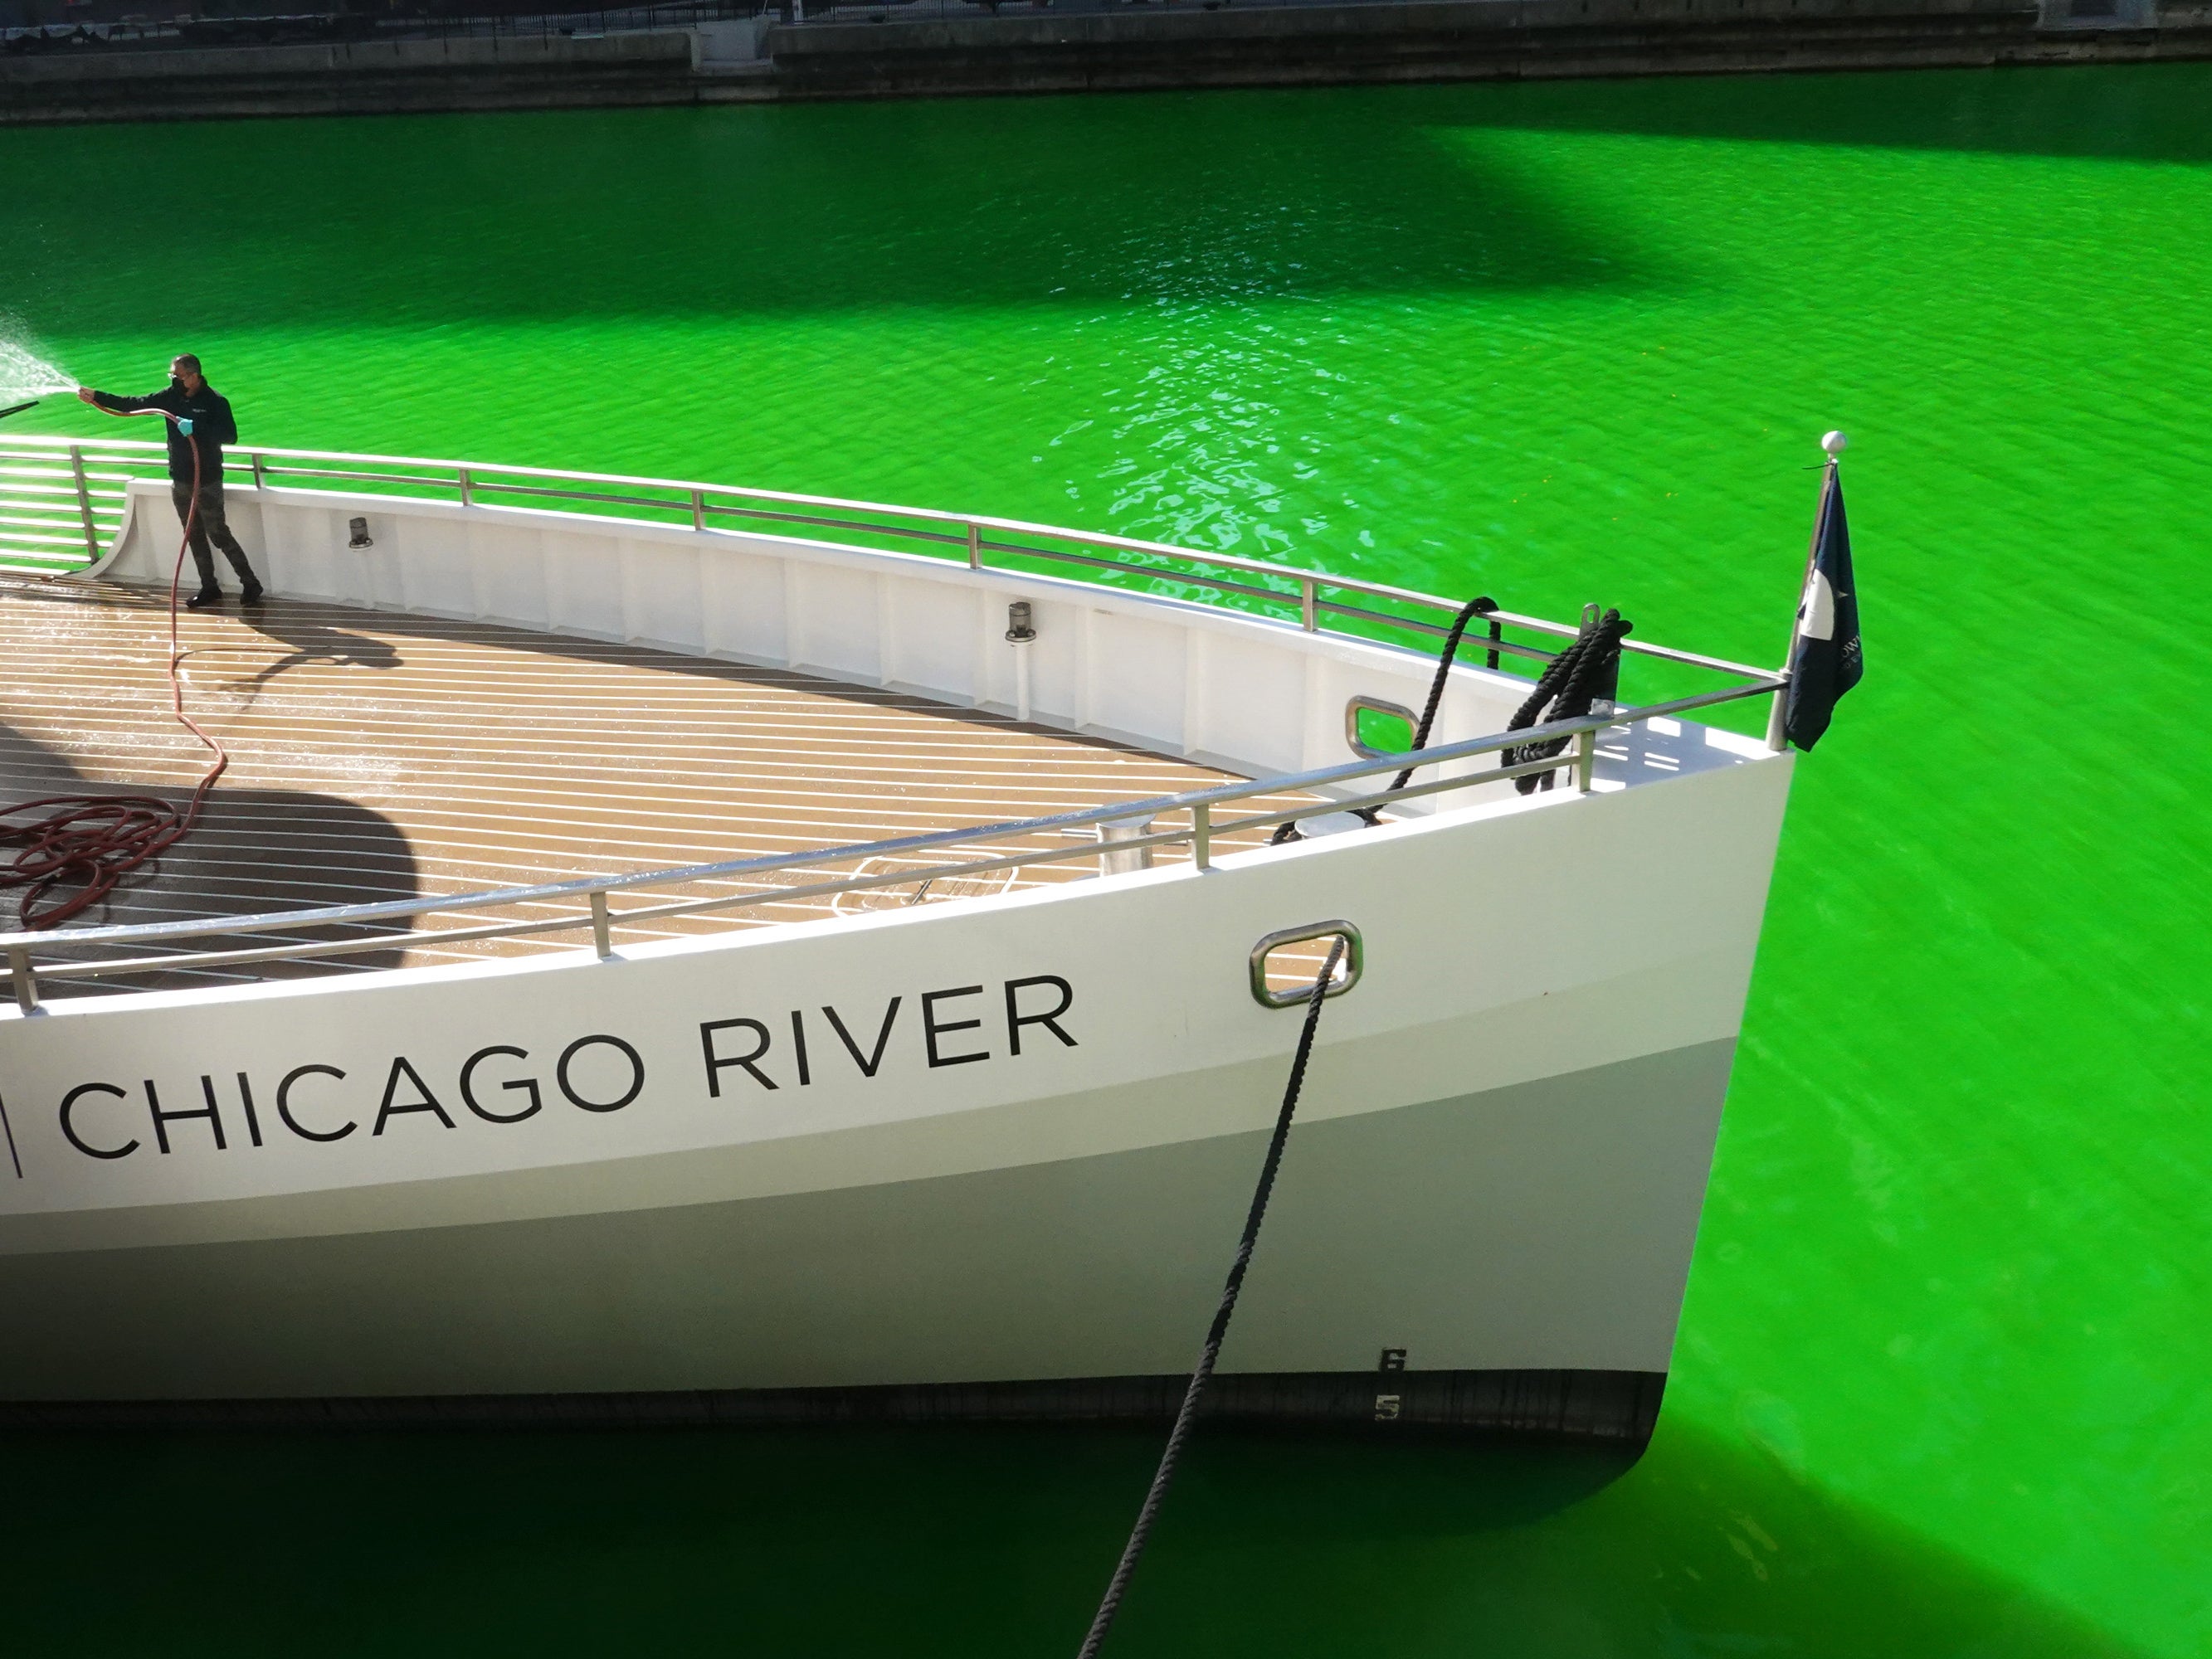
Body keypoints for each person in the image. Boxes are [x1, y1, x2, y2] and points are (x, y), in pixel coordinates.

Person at [79, 356, 263, 611]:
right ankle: (209, 586)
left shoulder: (215, 401)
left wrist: (195, 427)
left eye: (177, 377)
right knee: (193, 534)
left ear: (194, 376)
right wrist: (96, 396)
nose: (173, 381)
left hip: (207, 480)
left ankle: (250, 583)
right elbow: (131, 404)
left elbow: (230, 436)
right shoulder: (169, 397)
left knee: (218, 533)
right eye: (172, 377)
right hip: (180, 479)